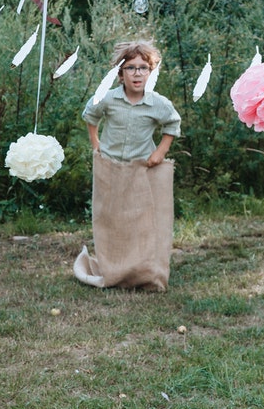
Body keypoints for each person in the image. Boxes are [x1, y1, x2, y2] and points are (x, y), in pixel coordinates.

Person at [73, 40, 182, 292]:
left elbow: (172, 125)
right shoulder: (108, 99)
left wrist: (161, 151)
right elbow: (90, 115)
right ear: (120, 73)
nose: (137, 73)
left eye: (143, 68)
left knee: (140, 221)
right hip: (110, 167)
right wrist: (95, 143)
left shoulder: (158, 103)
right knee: (111, 219)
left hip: (141, 169)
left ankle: (142, 271)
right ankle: (114, 269)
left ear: (150, 72)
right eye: (130, 68)